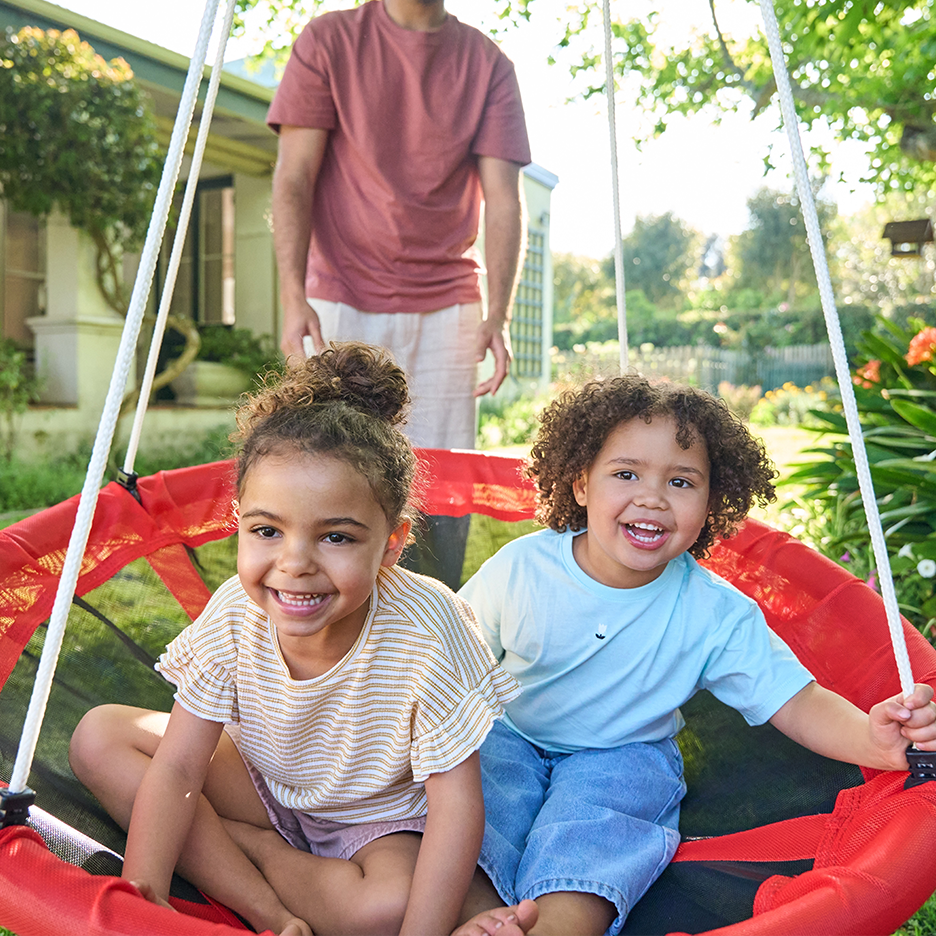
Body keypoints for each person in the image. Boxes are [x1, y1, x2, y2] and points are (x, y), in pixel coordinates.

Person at [450, 374, 936, 936]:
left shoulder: (714, 611)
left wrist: (871, 740)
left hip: (624, 753)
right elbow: (450, 664)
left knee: (597, 828)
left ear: (712, 501)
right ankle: (476, 920)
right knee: (481, 796)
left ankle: (559, 926)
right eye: (626, 474)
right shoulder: (522, 569)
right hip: (512, 731)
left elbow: (797, 701)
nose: (652, 497)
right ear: (581, 483)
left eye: (681, 481)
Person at [69, 342, 520, 936]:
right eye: (267, 530)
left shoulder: (430, 628)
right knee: (98, 736)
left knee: (386, 909)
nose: (295, 563)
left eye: (335, 537)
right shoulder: (236, 610)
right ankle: (271, 911)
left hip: (378, 823)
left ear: (392, 542)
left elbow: (456, 811)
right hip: (261, 783)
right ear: (239, 521)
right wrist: (144, 898)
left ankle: (254, 857)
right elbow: (179, 766)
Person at [267, 0, 531, 453]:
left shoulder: (489, 63)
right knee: (333, 464)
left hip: (448, 305)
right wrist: (294, 297)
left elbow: (505, 200)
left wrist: (498, 316)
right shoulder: (327, 41)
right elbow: (294, 177)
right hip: (339, 295)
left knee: (442, 482)